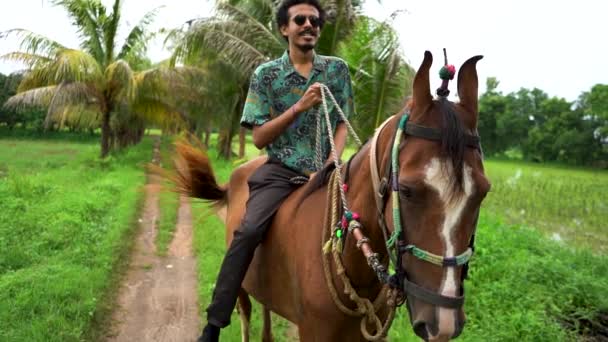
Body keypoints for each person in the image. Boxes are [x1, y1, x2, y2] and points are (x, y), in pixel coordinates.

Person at [198, 0, 354, 340]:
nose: (309, 24)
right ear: (285, 28)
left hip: (328, 171)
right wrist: (299, 107)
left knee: (368, 225)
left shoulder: (337, 71)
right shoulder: (266, 75)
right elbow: (258, 138)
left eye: (315, 20)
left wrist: (331, 163)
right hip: (281, 171)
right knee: (249, 231)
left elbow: (341, 122)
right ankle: (214, 323)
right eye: (300, 19)